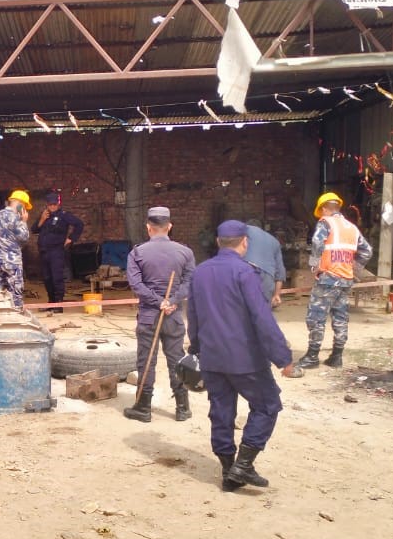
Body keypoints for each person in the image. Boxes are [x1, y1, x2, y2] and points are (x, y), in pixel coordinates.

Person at [189, 220, 300, 491]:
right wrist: (283, 358)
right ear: (245, 243)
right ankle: (243, 465)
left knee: (221, 411)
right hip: (245, 359)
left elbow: (192, 315)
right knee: (267, 404)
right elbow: (262, 318)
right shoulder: (245, 272)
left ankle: (229, 472)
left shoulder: (200, 272)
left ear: (218, 242)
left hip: (212, 357)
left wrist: (197, 348)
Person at [123, 206, 196, 423]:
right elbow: (190, 282)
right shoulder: (185, 252)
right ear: (169, 226)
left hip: (149, 316)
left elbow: (136, 285)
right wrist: (171, 301)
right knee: (176, 359)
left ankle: (143, 408)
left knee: (146, 361)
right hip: (173, 316)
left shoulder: (137, 253)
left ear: (148, 227)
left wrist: (159, 302)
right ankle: (183, 408)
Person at [297, 192, 372, 370]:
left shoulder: (326, 222)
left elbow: (317, 243)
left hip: (328, 278)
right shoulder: (352, 227)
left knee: (316, 317)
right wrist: (354, 268)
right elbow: (367, 251)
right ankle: (337, 357)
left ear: (324, 209)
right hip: (345, 279)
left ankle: (312, 357)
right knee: (340, 317)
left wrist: (314, 265)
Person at [32, 192, 84, 314]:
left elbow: (79, 224)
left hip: (56, 251)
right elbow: (34, 230)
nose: (52, 207)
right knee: (47, 278)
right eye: (50, 205)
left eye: (54, 204)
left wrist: (71, 238)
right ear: (47, 205)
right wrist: (42, 219)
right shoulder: (44, 215)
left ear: (58, 204)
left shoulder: (64, 215)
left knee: (57, 278)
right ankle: (51, 303)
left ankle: (59, 304)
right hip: (44, 251)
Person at [0, 190, 32, 310]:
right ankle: (16, 314)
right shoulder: (17, 218)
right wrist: (24, 222)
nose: (24, 209)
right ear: (20, 204)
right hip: (12, 261)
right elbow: (24, 238)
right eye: (24, 206)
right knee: (15, 293)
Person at [243, 219, 286, 308]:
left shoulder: (245, 230)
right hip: (267, 277)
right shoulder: (274, 241)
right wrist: (276, 295)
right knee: (263, 309)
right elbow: (280, 272)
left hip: (246, 270)